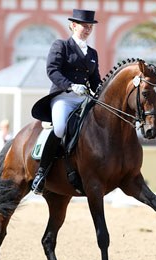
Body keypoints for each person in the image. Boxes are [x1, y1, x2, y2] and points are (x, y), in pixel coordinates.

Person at [31, 9, 101, 195]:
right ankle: (41, 173)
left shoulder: (93, 53)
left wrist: (102, 93)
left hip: (83, 99)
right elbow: (52, 71)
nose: (87, 29)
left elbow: (95, 81)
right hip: (63, 97)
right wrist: (70, 85)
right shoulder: (61, 45)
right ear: (73, 25)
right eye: (83, 26)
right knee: (60, 128)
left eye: (89, 27)